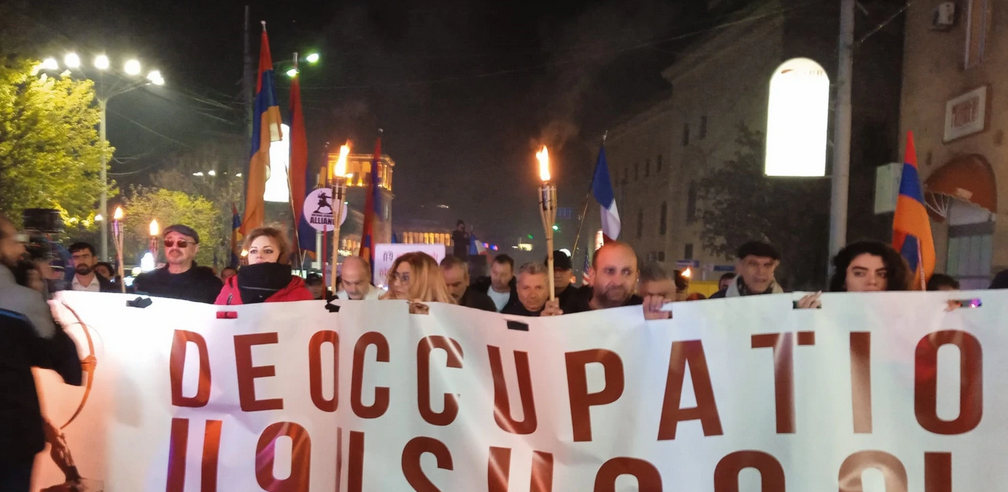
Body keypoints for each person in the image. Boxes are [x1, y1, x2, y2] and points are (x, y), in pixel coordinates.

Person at [0, 213, 84, 492]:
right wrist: (39, 298)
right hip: (11, 441)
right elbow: (69, 366)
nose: (22, 249)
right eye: (14, 241)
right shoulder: (19, 302)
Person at [544, 241, 669, 320]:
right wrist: (543, 330)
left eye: (626, 272)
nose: (618, 281)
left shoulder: (648, 314)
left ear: (636, 276)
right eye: (610, 271)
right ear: (592, 275)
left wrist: (657, 329)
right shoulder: (564, 316)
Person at [797, 241, 911, 308]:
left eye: (882, 274)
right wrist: (805, 323)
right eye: (860, 273)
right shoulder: (822, 318)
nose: (872, 281)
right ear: (843, 281)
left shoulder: (912, 321)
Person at [215, 227, 313, 305]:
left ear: (281, 255)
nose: (259, 255)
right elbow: (215, 325)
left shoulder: (299, 293)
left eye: (268, 251)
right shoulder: (230, 288)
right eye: (253, 251)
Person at [133, 224, 223, 304]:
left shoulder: (211, 284)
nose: (174, 247)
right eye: (169, 242)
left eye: (182, 243)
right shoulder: (146, 281)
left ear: (195, 249)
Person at [381, 252, 455, 314]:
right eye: (395, 276)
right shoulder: (383, 309)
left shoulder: (448, 317)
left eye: (405, 278)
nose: (396, 283)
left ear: (424, 282)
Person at [709, 241, 784, 298]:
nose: (761, 271)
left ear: (774, 267)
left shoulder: (789, 303)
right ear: (740, 266)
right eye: (753, 264)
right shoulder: (715, 303)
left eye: (767, 265)